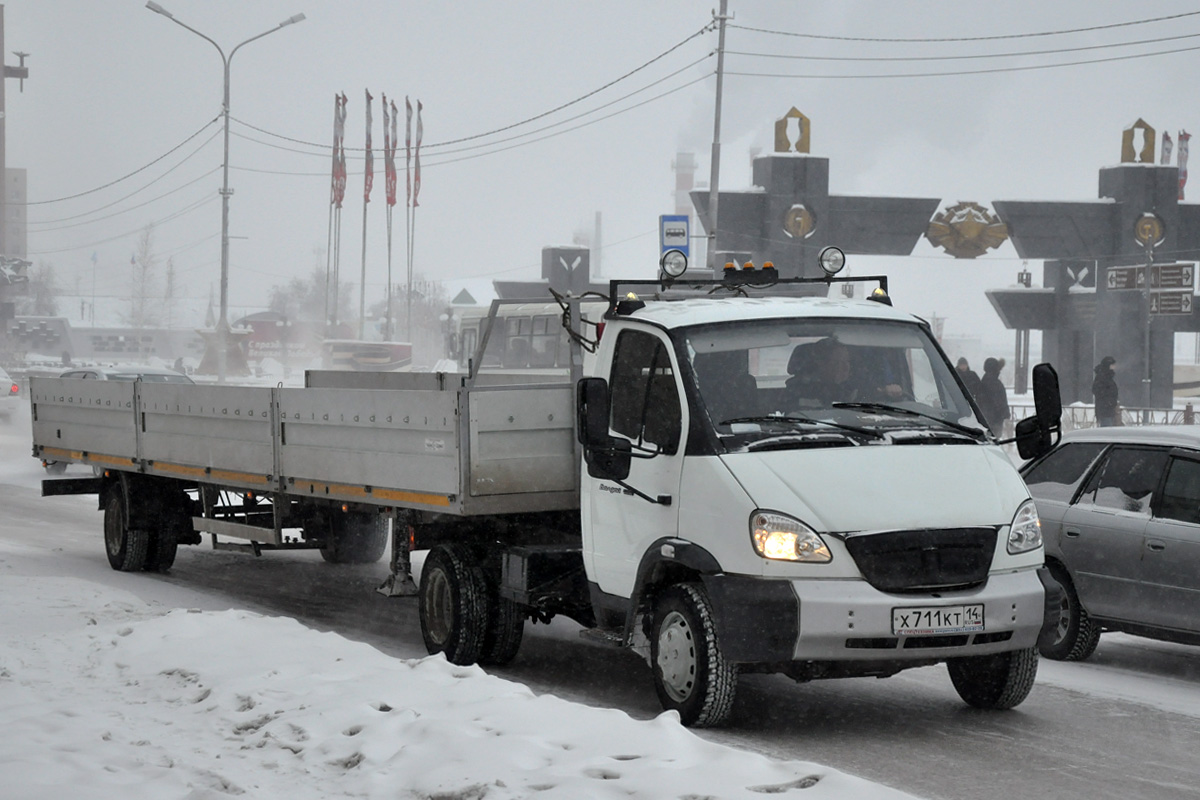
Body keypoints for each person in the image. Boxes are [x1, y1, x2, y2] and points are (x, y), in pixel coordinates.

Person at [977, 357, 1010, 437]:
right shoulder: (995, 383)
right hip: (995, 419)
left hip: (986, 417)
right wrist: (1005, 413)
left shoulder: (983, 381)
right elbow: (999, 401)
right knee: (994, 439)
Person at [1092, 355, 1119, 427]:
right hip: (1105, 409)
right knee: (1106, 429)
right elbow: (1098, 391)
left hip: (1107, 409)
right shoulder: (1103, 377)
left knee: (1107, 429)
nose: (1114, 367)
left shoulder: (1105, 376)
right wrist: (1109, 401)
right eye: (1113, 365)